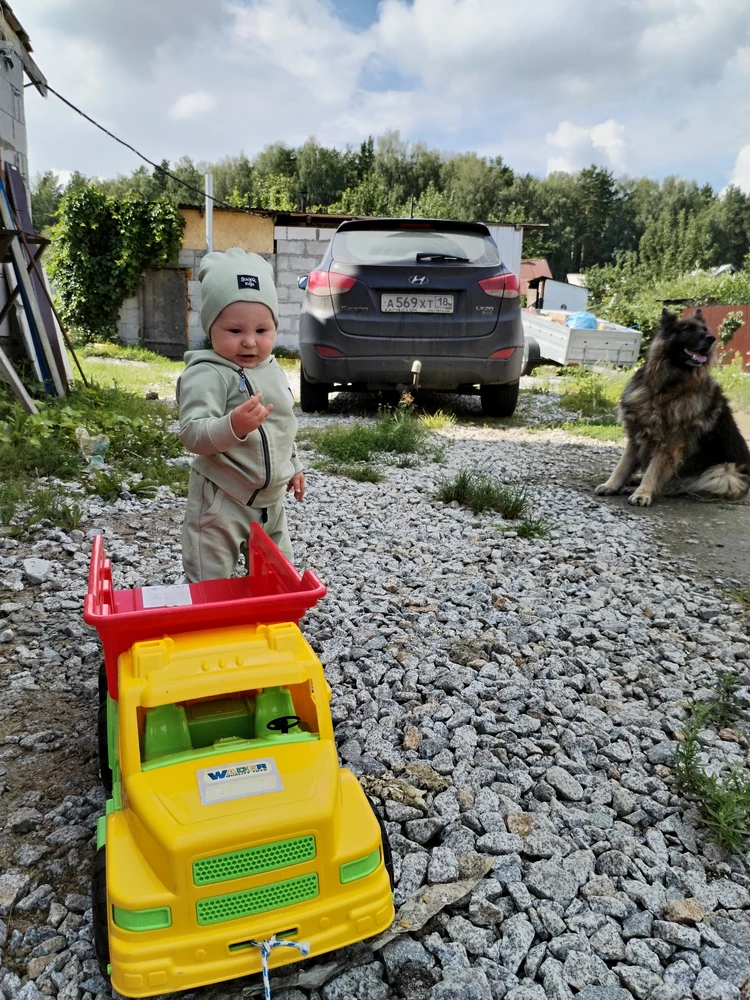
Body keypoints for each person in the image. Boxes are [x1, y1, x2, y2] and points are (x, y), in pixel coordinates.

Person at [177, 248, 304, 582]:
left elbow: (281, 426)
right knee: (210, 576)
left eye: (262, 331)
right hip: (223, 497)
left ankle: (269, 620)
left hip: (271, 502)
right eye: (235, 331)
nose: (249, 342)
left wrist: (294, 466)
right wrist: (233, 426)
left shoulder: (272, 369)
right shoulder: (205, 374)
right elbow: (193, 433)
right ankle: (209, 623)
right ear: (211, 328)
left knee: (278, 574)